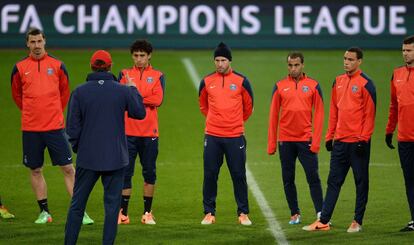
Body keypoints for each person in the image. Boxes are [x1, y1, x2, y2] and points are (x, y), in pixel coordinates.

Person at [10, 27, 93, 225]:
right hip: (31, 129)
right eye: (33, 42)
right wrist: (32, 111)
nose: (36, 46)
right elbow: (16, 95)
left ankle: (79, 212)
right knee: (35, 169)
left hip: (55, 127)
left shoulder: (57, 65)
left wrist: (52, 110)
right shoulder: (20, 67)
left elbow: (64, 93)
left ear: (44, 41)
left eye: (39, 41)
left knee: (68, 169)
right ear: (27, 44)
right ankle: (44, 212)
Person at [64, 50, 146, 245]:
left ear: (92, 66)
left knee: (77, 205)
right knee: (111, 208)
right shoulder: (123, 90)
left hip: (88, 159)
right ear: (110, 67)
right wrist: (133, 89)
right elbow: (139, 113)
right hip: (115, 159)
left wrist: (80, 149)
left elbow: (72, 129)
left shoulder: (80, 91)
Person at [303, 47, 376, 233]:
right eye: (345, 59)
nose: (346, 62)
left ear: (359, 61)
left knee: (361, 182)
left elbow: (370, 115)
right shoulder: (338, 82)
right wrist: (330, 136)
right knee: (334, 182)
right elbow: (334, 111)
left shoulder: (366, 84)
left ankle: (357, 221)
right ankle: (324, 220)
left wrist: (363, 139)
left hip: (358, 143)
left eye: (351, 59)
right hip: (340, 142)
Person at [198, 42, 254, 225]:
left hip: (235, 135)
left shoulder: (241, 81)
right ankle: (209, 212)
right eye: (217, 60)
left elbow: (248, 107)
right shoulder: (206, 81)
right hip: (213, 136)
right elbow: (203, 106)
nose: (220, 64)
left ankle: (243, 213)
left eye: (223, 60)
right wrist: (216, 121)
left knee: (238, 175)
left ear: (229, 61)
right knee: (210, 174)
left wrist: (233, 122)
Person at [267, 52, 324, 225]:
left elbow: (320, 114)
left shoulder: (313, 85)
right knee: (288, 178)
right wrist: (272, 144)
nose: (293, 68)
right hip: (285, 140)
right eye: (290, 65)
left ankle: (321, 214)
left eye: (296, 65)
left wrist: (316, 142)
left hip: (305, 140)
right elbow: (273, 115)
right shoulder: (279, 86)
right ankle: (294, 213)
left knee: (313, 177)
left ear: (302, 65)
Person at [117, 40, 165, 225]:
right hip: (128, 132)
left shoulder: (158, 75)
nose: (138, 59)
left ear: (149, 56)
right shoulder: (123, 73)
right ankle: (123, 214)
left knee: (149, 173)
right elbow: (120, 98)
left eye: (142, 55)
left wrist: (133, 93)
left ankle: (147, 213)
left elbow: (158, 99)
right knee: (125, 173)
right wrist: (140, 97)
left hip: (149, 133)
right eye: (135, 56)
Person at [385, 35, 414, 232]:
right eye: (403, 50)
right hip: (404, 138)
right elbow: (394, 106)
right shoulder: (396, 74)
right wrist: (389, 130)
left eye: (409, 50)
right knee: (410, 180)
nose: (405, 53)